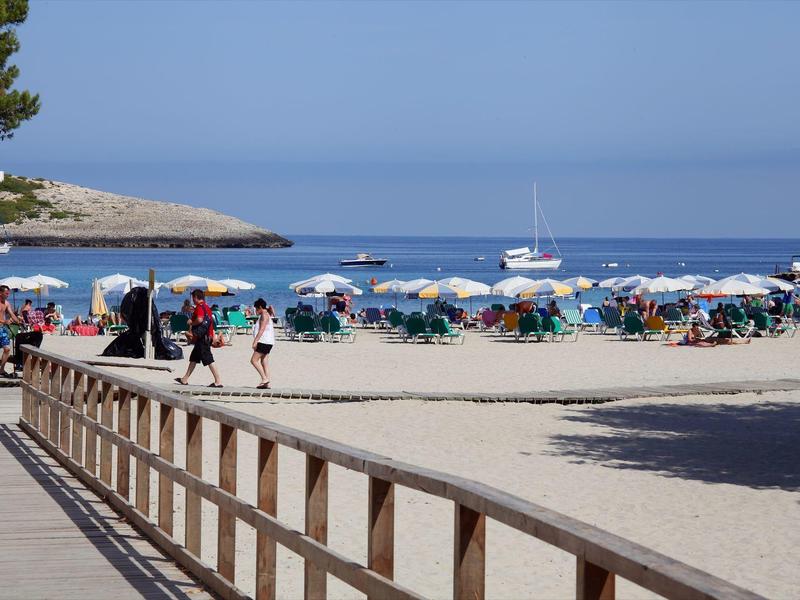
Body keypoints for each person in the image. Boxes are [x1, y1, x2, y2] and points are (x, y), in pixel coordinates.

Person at [175, 289, 222, 388]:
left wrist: (191, 322)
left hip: (202, 338)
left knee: (208, 359)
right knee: (194, 358)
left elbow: (200, 319)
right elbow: (210, 324)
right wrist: (213, 336)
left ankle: (218, 381)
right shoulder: (207, 308)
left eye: (193, 298)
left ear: (196, 297)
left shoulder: (200, 307)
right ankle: (185, 379)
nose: (192, 300)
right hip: (206, 336)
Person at [250, 298, 275, 389]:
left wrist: (255, 341)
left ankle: (264, 378)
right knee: (264, 362)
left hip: (264, 341)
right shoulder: (267, 313)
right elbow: (272, 309)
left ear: (260, 307)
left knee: (253, 360)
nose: (256, 311)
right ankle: (266, 383)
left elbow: (262, 329)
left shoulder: (264, 315)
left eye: (256, 309)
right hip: (269, 342)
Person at [0, 285, 22, 377]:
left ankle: (1, 370)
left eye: (8, 293)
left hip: (3, 329)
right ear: (0, 293)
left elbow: (12, 314)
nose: (8, 295)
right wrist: (4, 321)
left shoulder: (7, 303)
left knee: (7, 349)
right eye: (6, 293)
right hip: (2, 325)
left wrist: (18, 321)